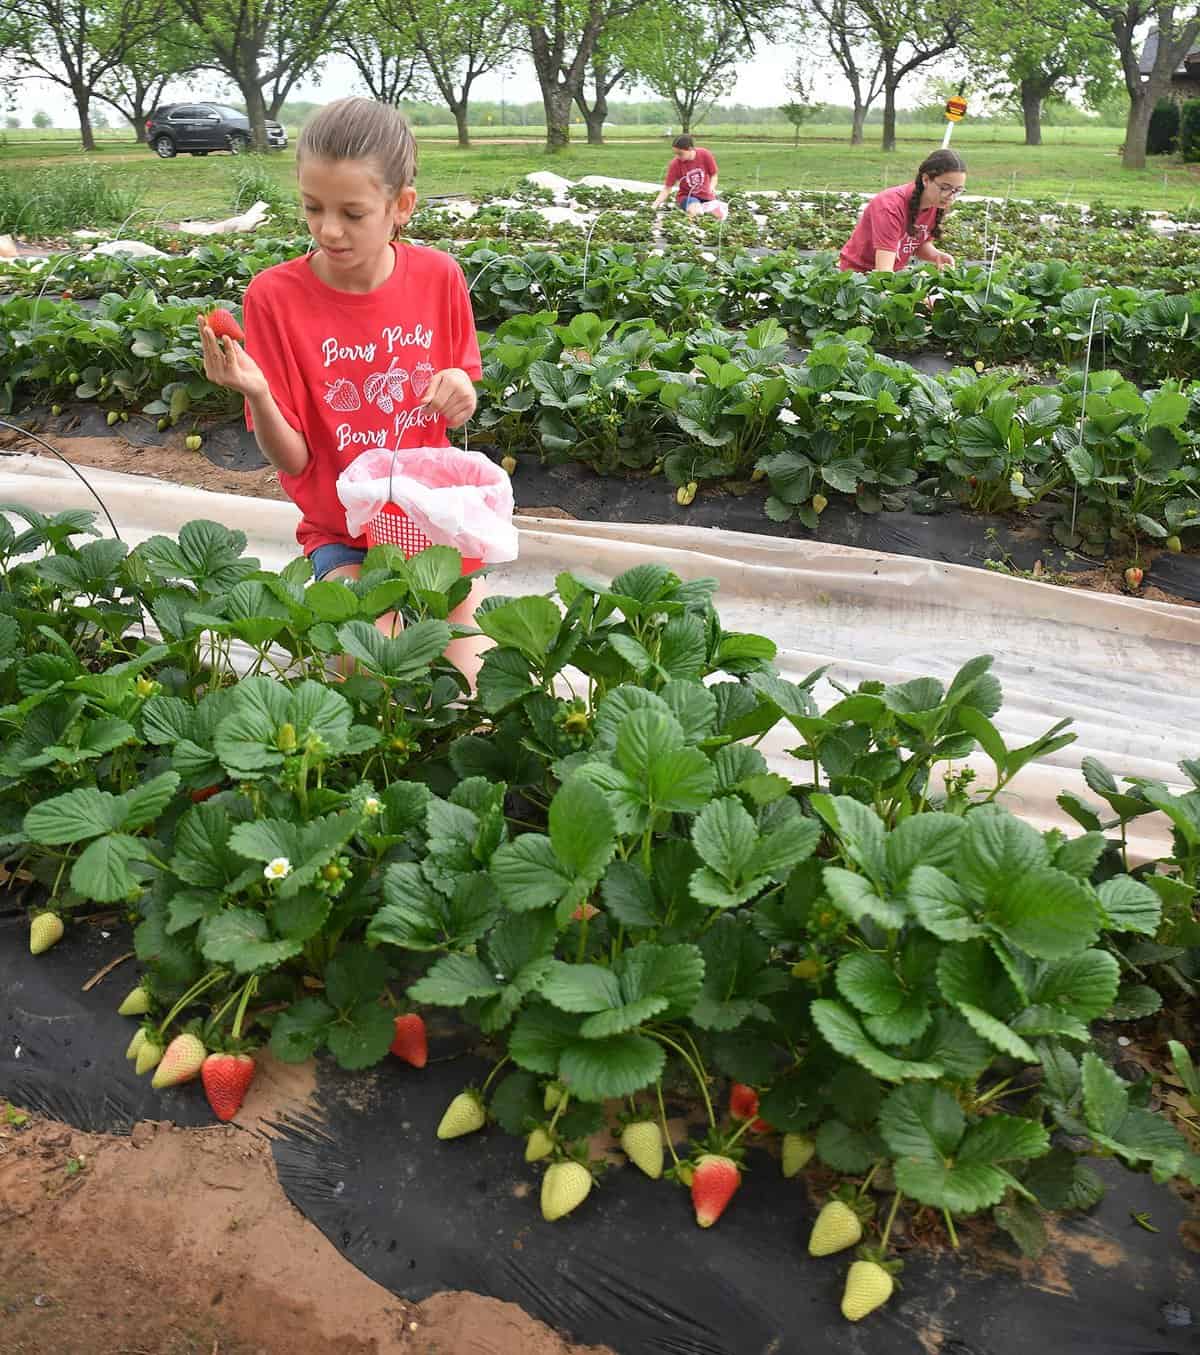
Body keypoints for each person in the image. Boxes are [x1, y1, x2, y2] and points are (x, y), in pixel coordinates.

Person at [197, 97, 486, 678]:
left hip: (429, 523)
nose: (329, 230)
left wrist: (461, 389)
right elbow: (295, 459)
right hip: (342, 531)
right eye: (313, 208)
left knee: (473, 686)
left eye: (352, 213)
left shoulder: (439, 278)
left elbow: (457, 408)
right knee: (371, 668)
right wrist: (256, 393)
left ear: (400, 206)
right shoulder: (273, 298)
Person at [839, 149, 966, 274]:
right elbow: (883, 272)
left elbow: (916, 244)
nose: (951, 196)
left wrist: (937, 256)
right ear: (926, 180)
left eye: (958, 190)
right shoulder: (890, 206)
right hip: (858, 276)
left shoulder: (937, 203)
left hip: (893, 275)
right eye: (945, 188)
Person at [651, 134, 719, 219]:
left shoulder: (704, 154)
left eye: (680, 154)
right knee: (696, 211)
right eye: (676, 153)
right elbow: (667, 188)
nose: (678, 157)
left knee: (719, 215)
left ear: (690, 149)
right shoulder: (675, 164)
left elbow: (714, 175)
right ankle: (690, 228)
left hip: (706, 196)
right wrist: (654, 206)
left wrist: (711, 187)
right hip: (687, 197)